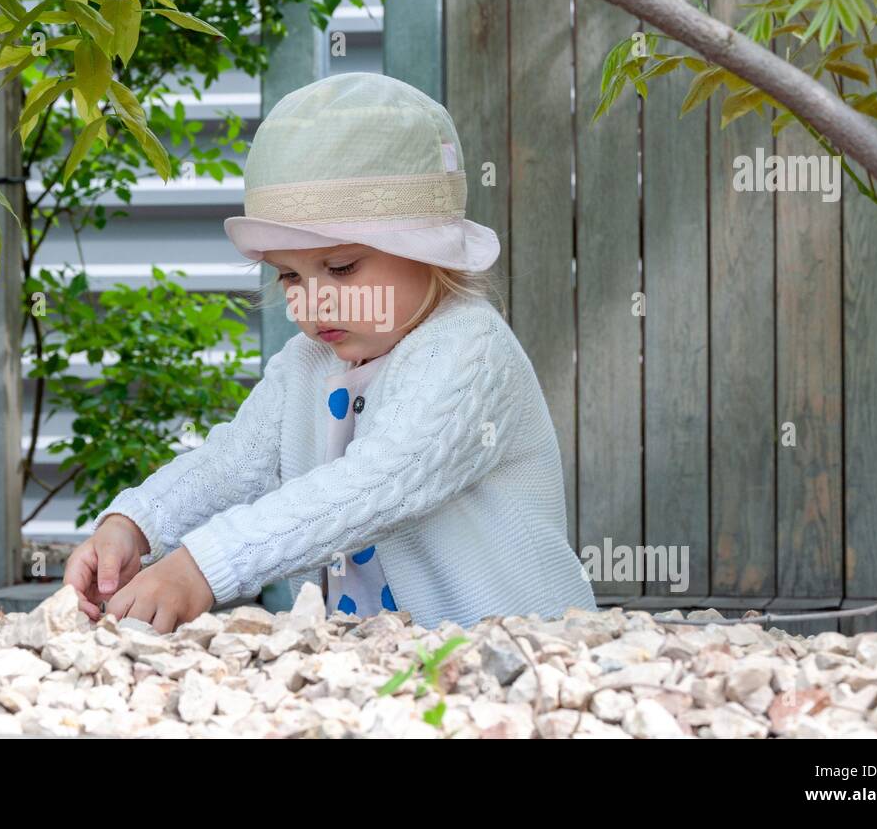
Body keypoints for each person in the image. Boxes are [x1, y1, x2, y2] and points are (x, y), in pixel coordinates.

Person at [63, 71, 597, 632]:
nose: (312, 301)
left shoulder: (468, 351)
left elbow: (380, 482)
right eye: (289, 275)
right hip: (369, 668)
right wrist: (135, 525)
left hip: (517, 657)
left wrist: (205, 566)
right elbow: (233, 463)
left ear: (430, 251)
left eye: (341, 269)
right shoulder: (307, 364)